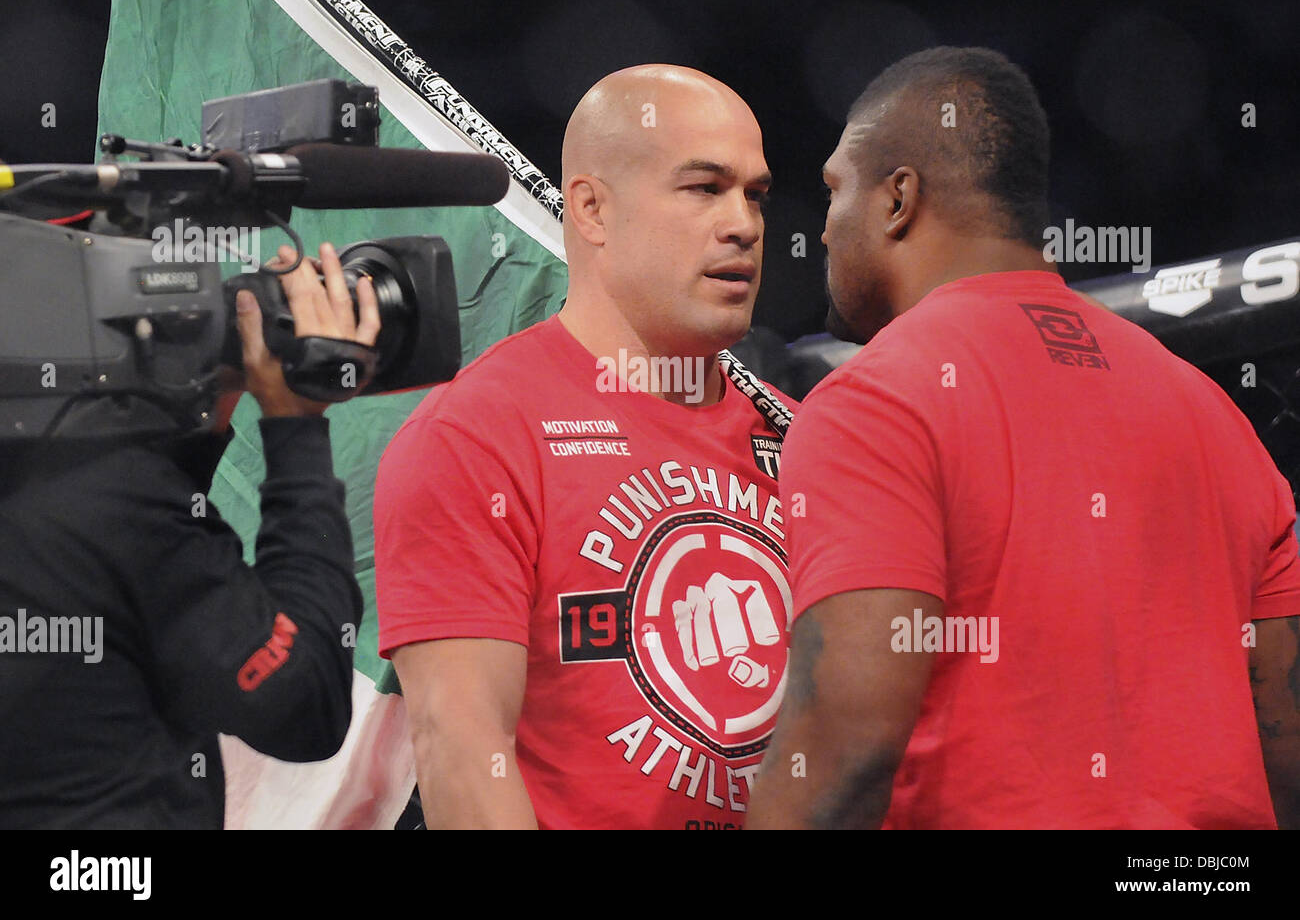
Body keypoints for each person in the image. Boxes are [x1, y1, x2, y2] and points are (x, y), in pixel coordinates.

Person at [747, 46, 1300, 829]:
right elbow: (1288, 751)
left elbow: (846, 746)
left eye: (837, 191)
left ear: (898, 197)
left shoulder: (875, 402)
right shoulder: (1214, 415)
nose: (825, 233)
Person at [375, 64, 797, 829]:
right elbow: (464, 754)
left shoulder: (805, 437)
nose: (743, 223)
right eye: (704, 187)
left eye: (755, 194)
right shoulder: (476, 438)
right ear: (593, 209)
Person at [0, 243, 377, 827]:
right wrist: (297, 429)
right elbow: (306, 704)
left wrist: (202, 421)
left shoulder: (80, 506)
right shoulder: (118, 512)